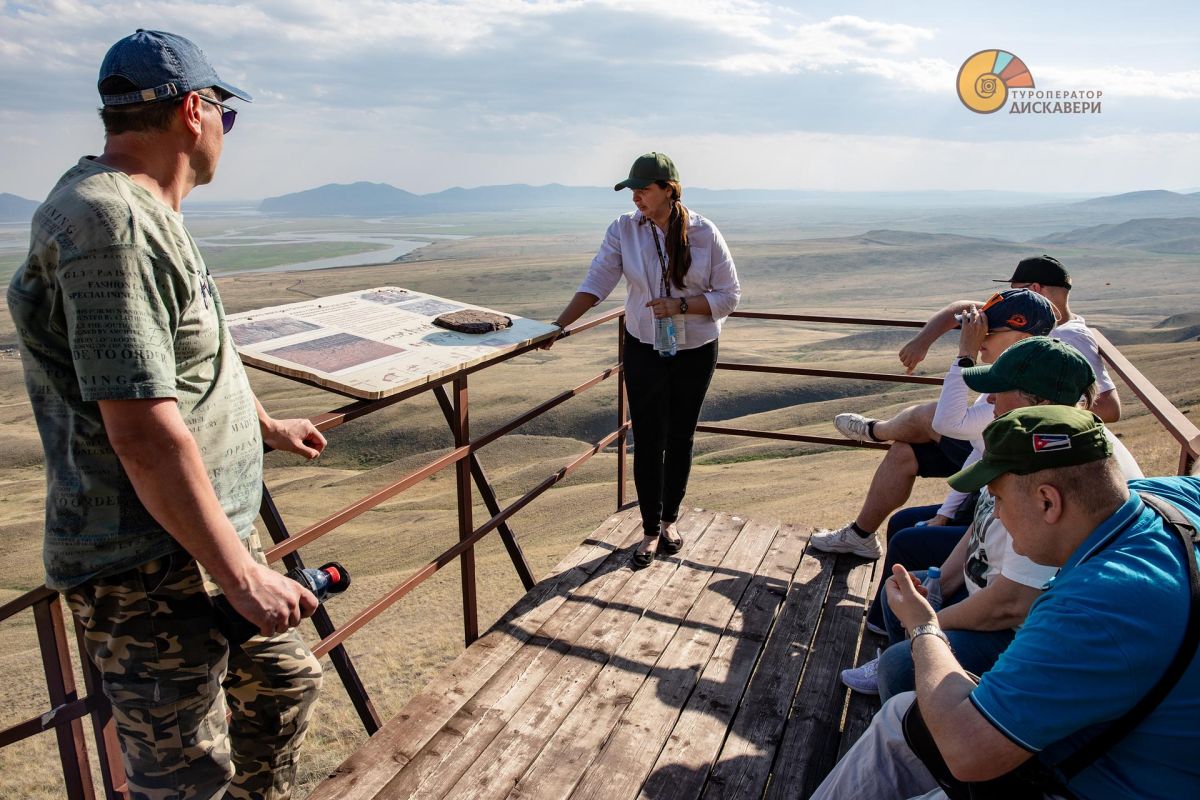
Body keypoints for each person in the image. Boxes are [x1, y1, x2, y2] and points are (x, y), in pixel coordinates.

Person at [7, 30, 325, 799]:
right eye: (226, 114)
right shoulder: (110, 225)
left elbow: (182, 359)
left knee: (283, 686)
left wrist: (261, 424)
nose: (226, 132)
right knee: (187, 776)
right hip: (147, 561)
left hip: (201, 535)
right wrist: (242, 574)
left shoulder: (142, 211)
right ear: (193, 110)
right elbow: (142, 430)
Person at [811, 407, 1200, 800]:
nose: (993, 512)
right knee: (902, 717)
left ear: (1048, 502)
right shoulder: (1168, 498)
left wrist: (922, 626)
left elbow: (967, 753)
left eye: (996, 497)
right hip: (1108, 740)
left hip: (1094, 779)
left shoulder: (1093, 607)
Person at [840, 337, 1142, 699]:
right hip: (985, 592)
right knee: (904, 592)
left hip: (1015, 629)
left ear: (1041, 400)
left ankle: (910, 691)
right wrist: (940, 585)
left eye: (999, 390)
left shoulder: (1057, 463)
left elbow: (1012, 605)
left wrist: (925, 625)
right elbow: (980, 525)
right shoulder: (1026, 438)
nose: (990, 400)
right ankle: (910, 684)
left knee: (900, 662)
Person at [543, 152, 740, 568]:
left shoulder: (705, 233)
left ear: (669, 190)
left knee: (681, 436)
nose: (635, 196)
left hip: (695, 350)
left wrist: (681, 307)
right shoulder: (623, 229)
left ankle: (671, 521)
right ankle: (650, 530)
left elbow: (729, 296)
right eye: (632, 189)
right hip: (643, 346)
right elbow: (598, 280)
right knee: (648, 439)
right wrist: (559, 325)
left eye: (644, 189)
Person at [810, 289, 1056, 561]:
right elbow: (978, 448)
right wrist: (944, 514)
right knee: (903, 514)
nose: (979, 336)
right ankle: (864, 540)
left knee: (906, 541)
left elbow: (948, 423)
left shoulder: (1020, 394)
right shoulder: (1009, 379)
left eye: (989, 331)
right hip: (990, 501)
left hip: (1002, 517)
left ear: (1022, 339)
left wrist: (966, 354)